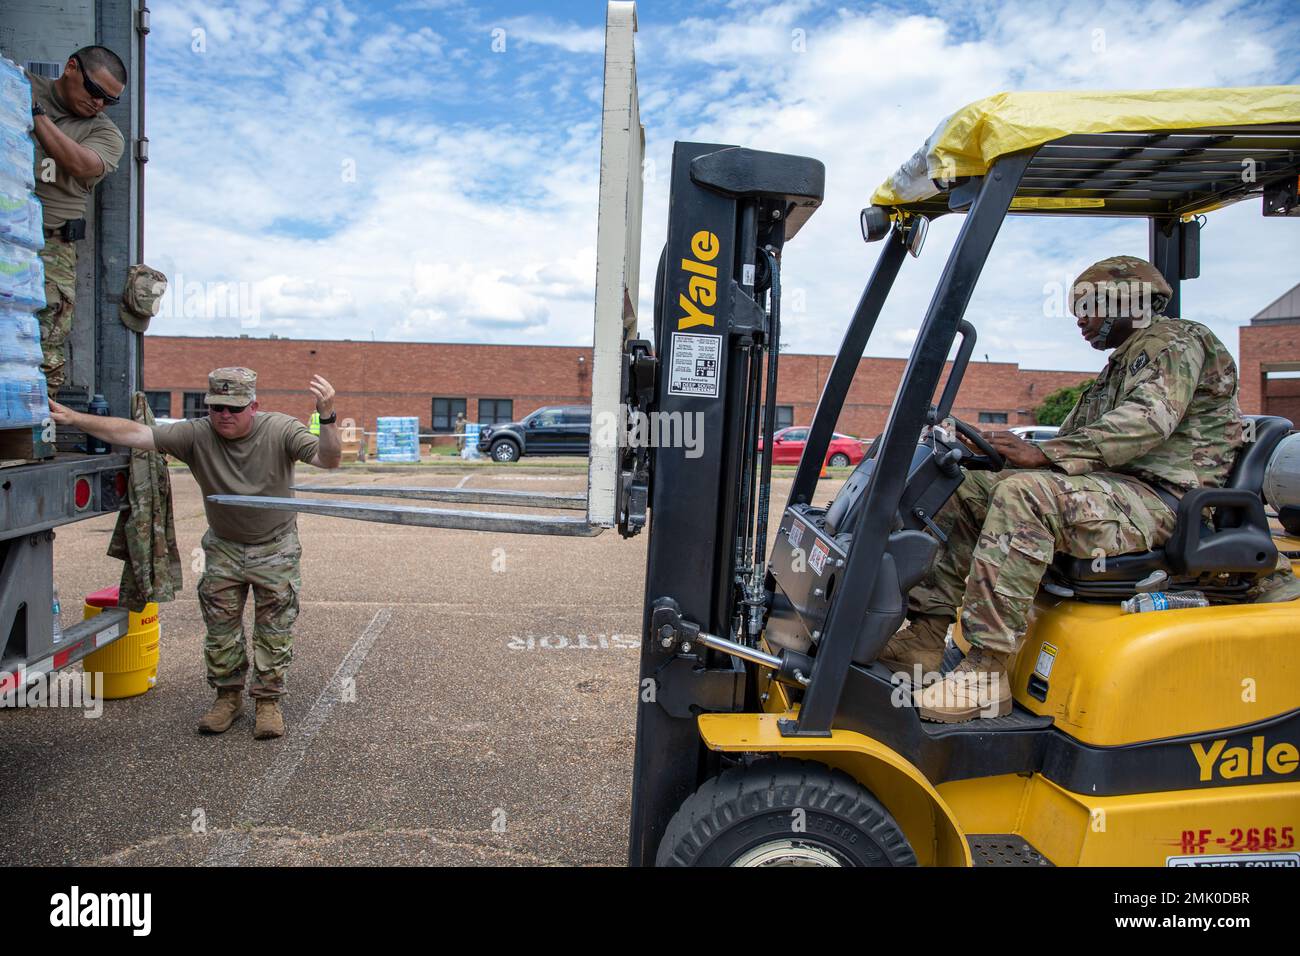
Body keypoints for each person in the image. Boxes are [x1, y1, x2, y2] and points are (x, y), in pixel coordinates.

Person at [881, 255, 1300, 723]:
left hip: (1166, 503)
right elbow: (1068, 441)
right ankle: (925, 638)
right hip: (1116, 494)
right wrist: (998, 450)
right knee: (965, 485)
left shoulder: (1176, 341)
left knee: (1028, 497)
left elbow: (1146, 422)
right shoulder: (1117, 369)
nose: (1080, 320)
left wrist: (1044, 456)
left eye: (1088, 307)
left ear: (1124, 301)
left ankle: (986, 671)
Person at [49, 368, 342, 739]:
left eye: (234, 408)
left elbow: (328, 459)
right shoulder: (196, 434)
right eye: (217, 407)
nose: (224, 415)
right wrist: (74, 418)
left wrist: (328, 415)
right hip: (223, 547)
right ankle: (228, 698)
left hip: (275, 547)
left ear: (254, 405)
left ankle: (268, 701)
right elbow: (133, 433)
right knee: (221, 631)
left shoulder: (280, 429)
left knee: (275, 629)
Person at [26, 47, 128, 393]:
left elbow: (83, 165)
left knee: (45, 342)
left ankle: (32, 433)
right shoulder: (17, 87)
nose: (99, 104)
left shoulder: (106, 134)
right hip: (8, 235)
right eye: (95, 92)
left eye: (109, 101)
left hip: (50, 245)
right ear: (71, 67)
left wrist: (37, 119)